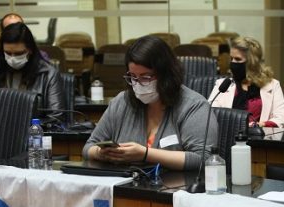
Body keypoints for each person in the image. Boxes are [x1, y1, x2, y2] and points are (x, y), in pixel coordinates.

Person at [82, 35, 217, 171]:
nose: (138, 84)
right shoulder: (122, 102)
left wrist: (145, 154)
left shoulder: (194, 106)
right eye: (133, 77)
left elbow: (203, 159)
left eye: (146, 77)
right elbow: (88, 148)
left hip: (175, 188)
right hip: (126, 185)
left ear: (166, 75)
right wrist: (103, 153)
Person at [209, 36, 284, 133]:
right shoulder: (222, 84)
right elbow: (211, 114)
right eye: (231, 58)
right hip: (228, 138)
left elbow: (282, 118)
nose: (233, 63)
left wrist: (259, 125)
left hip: (260, 139)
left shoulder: (272, 85)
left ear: (252, 62)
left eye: (237, 59)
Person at [0, 22, 64, 113]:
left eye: (19, 53)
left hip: (37, 126)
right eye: (8, 53)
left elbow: (56, 115)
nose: (12, 58)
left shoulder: (49, 75)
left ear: (30, 50)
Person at [0, 13, 49, 83]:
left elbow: (47, 77)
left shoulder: (41, 56)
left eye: (18, 28)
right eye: (8, 53)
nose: (14, 32)